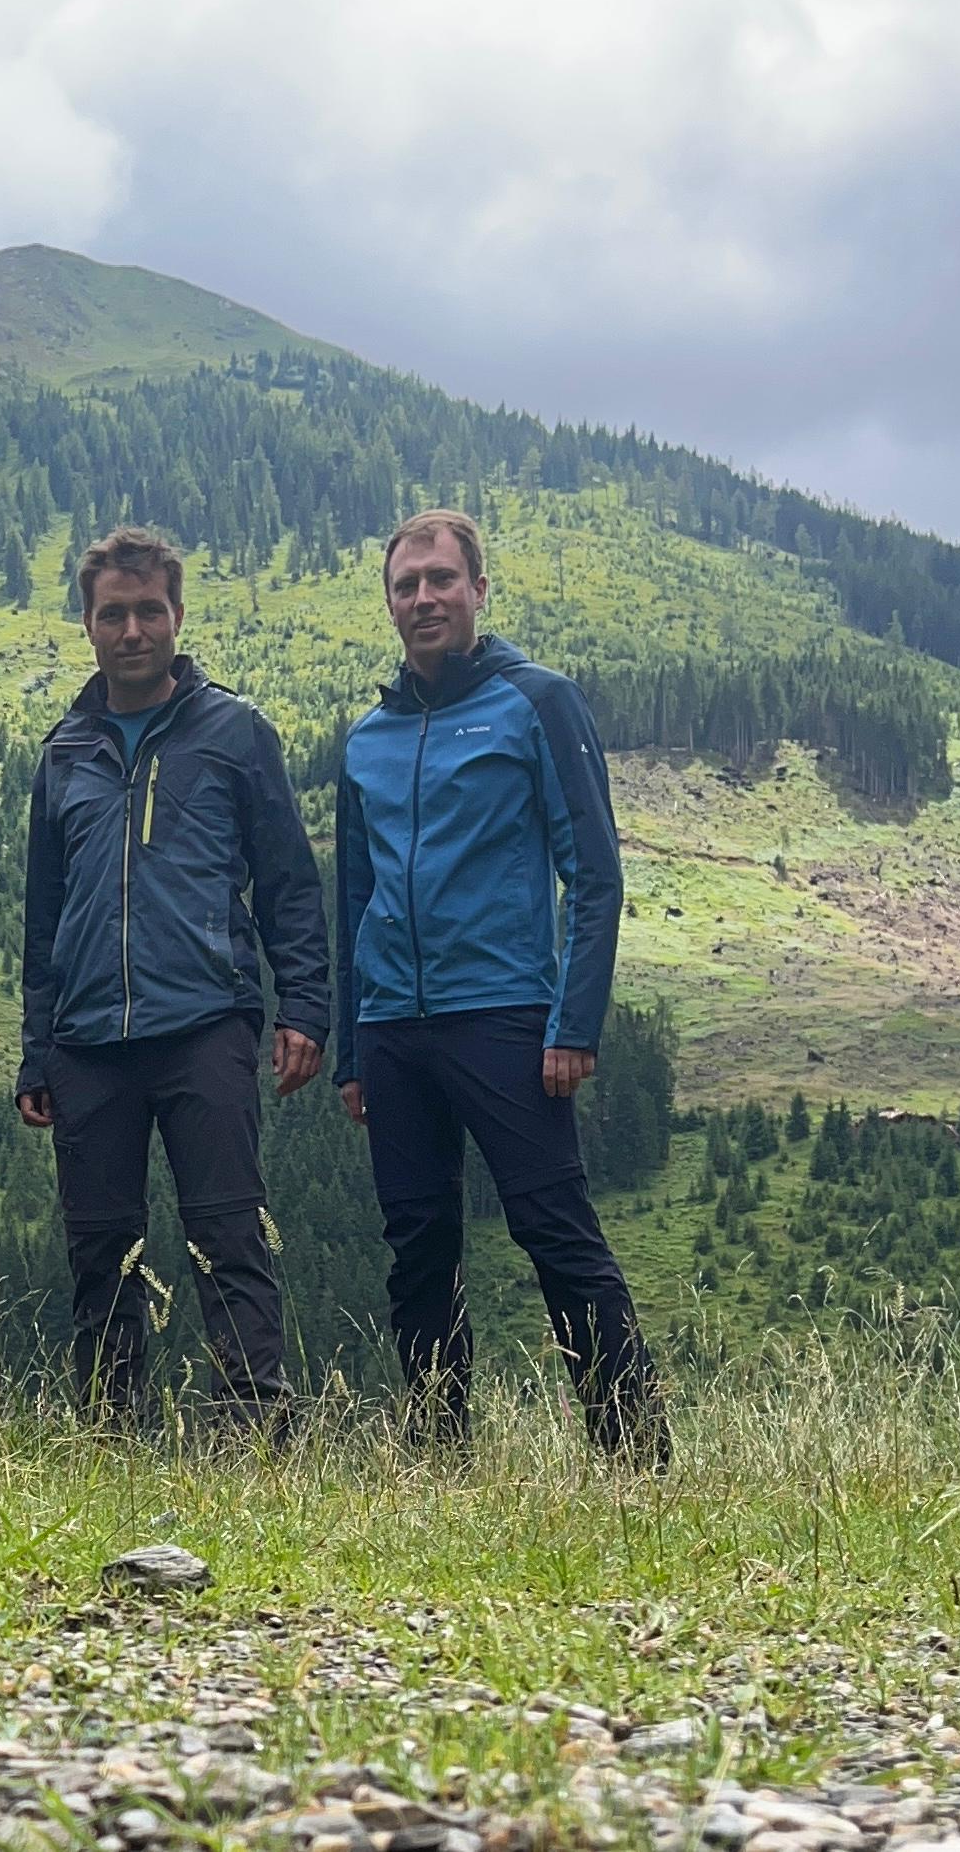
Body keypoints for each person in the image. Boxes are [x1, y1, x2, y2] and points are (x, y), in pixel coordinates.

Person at [334, 509, 670, 1465]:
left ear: (480, 590)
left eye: (443, 580)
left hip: (507, 1017)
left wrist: (575, 1023)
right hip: (395, 1025)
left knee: (555, 1232)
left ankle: (637, 1458)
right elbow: (353, 896)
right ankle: (440, 1460)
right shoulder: (369, 735)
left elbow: (595, 873)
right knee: (417, 1252)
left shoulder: (538, 702)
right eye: (408, 585)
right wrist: (353, 1050)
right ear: (390, 604)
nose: (425, 598)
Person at [15, 527, 330, 1431]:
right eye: (113, 613)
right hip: (86, 1041)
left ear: (178, 616)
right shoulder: (64, 750)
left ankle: (255, 1427)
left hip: (205, 1021)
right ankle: (114, 1428)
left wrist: (304, 1003)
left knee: (229, 1230)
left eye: (149, 610)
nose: (132, 630)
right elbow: (45, 917)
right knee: (100, 1248)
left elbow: (288, 883)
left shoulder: (233, 732)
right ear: (88, 624)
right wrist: (37, 1050)